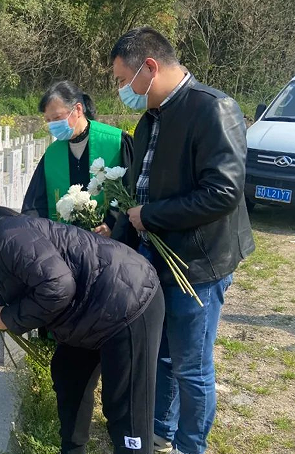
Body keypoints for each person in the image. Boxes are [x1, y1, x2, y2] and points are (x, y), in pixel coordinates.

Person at [109, 27, 255, 454]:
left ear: (149, 68)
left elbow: (224, 192)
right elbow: (142, 186)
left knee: (192, 366)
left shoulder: (214, 109)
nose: (121, 90)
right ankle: (163, 429)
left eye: (123, 80)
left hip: (198, 263)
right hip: (159, 256)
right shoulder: (151, 117)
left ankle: (193, 445)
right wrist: (123, 226)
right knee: (164, 354)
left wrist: (149, 215)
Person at [0, 193, 165, 454]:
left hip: (129, 300)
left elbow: (58, 287)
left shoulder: (8, 236)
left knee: (124, 409)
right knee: (68, 376)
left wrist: (8, 318)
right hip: (88, 311)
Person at [22, 80, 133, 237]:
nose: (52, 125)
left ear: (78, 109)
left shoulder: (116, 142)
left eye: (57, 117)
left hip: (112, 243)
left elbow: (133, 189)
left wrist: (111, 223)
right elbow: (35, 205)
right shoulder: (52, 154)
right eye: (48, 120)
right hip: (66, 243)